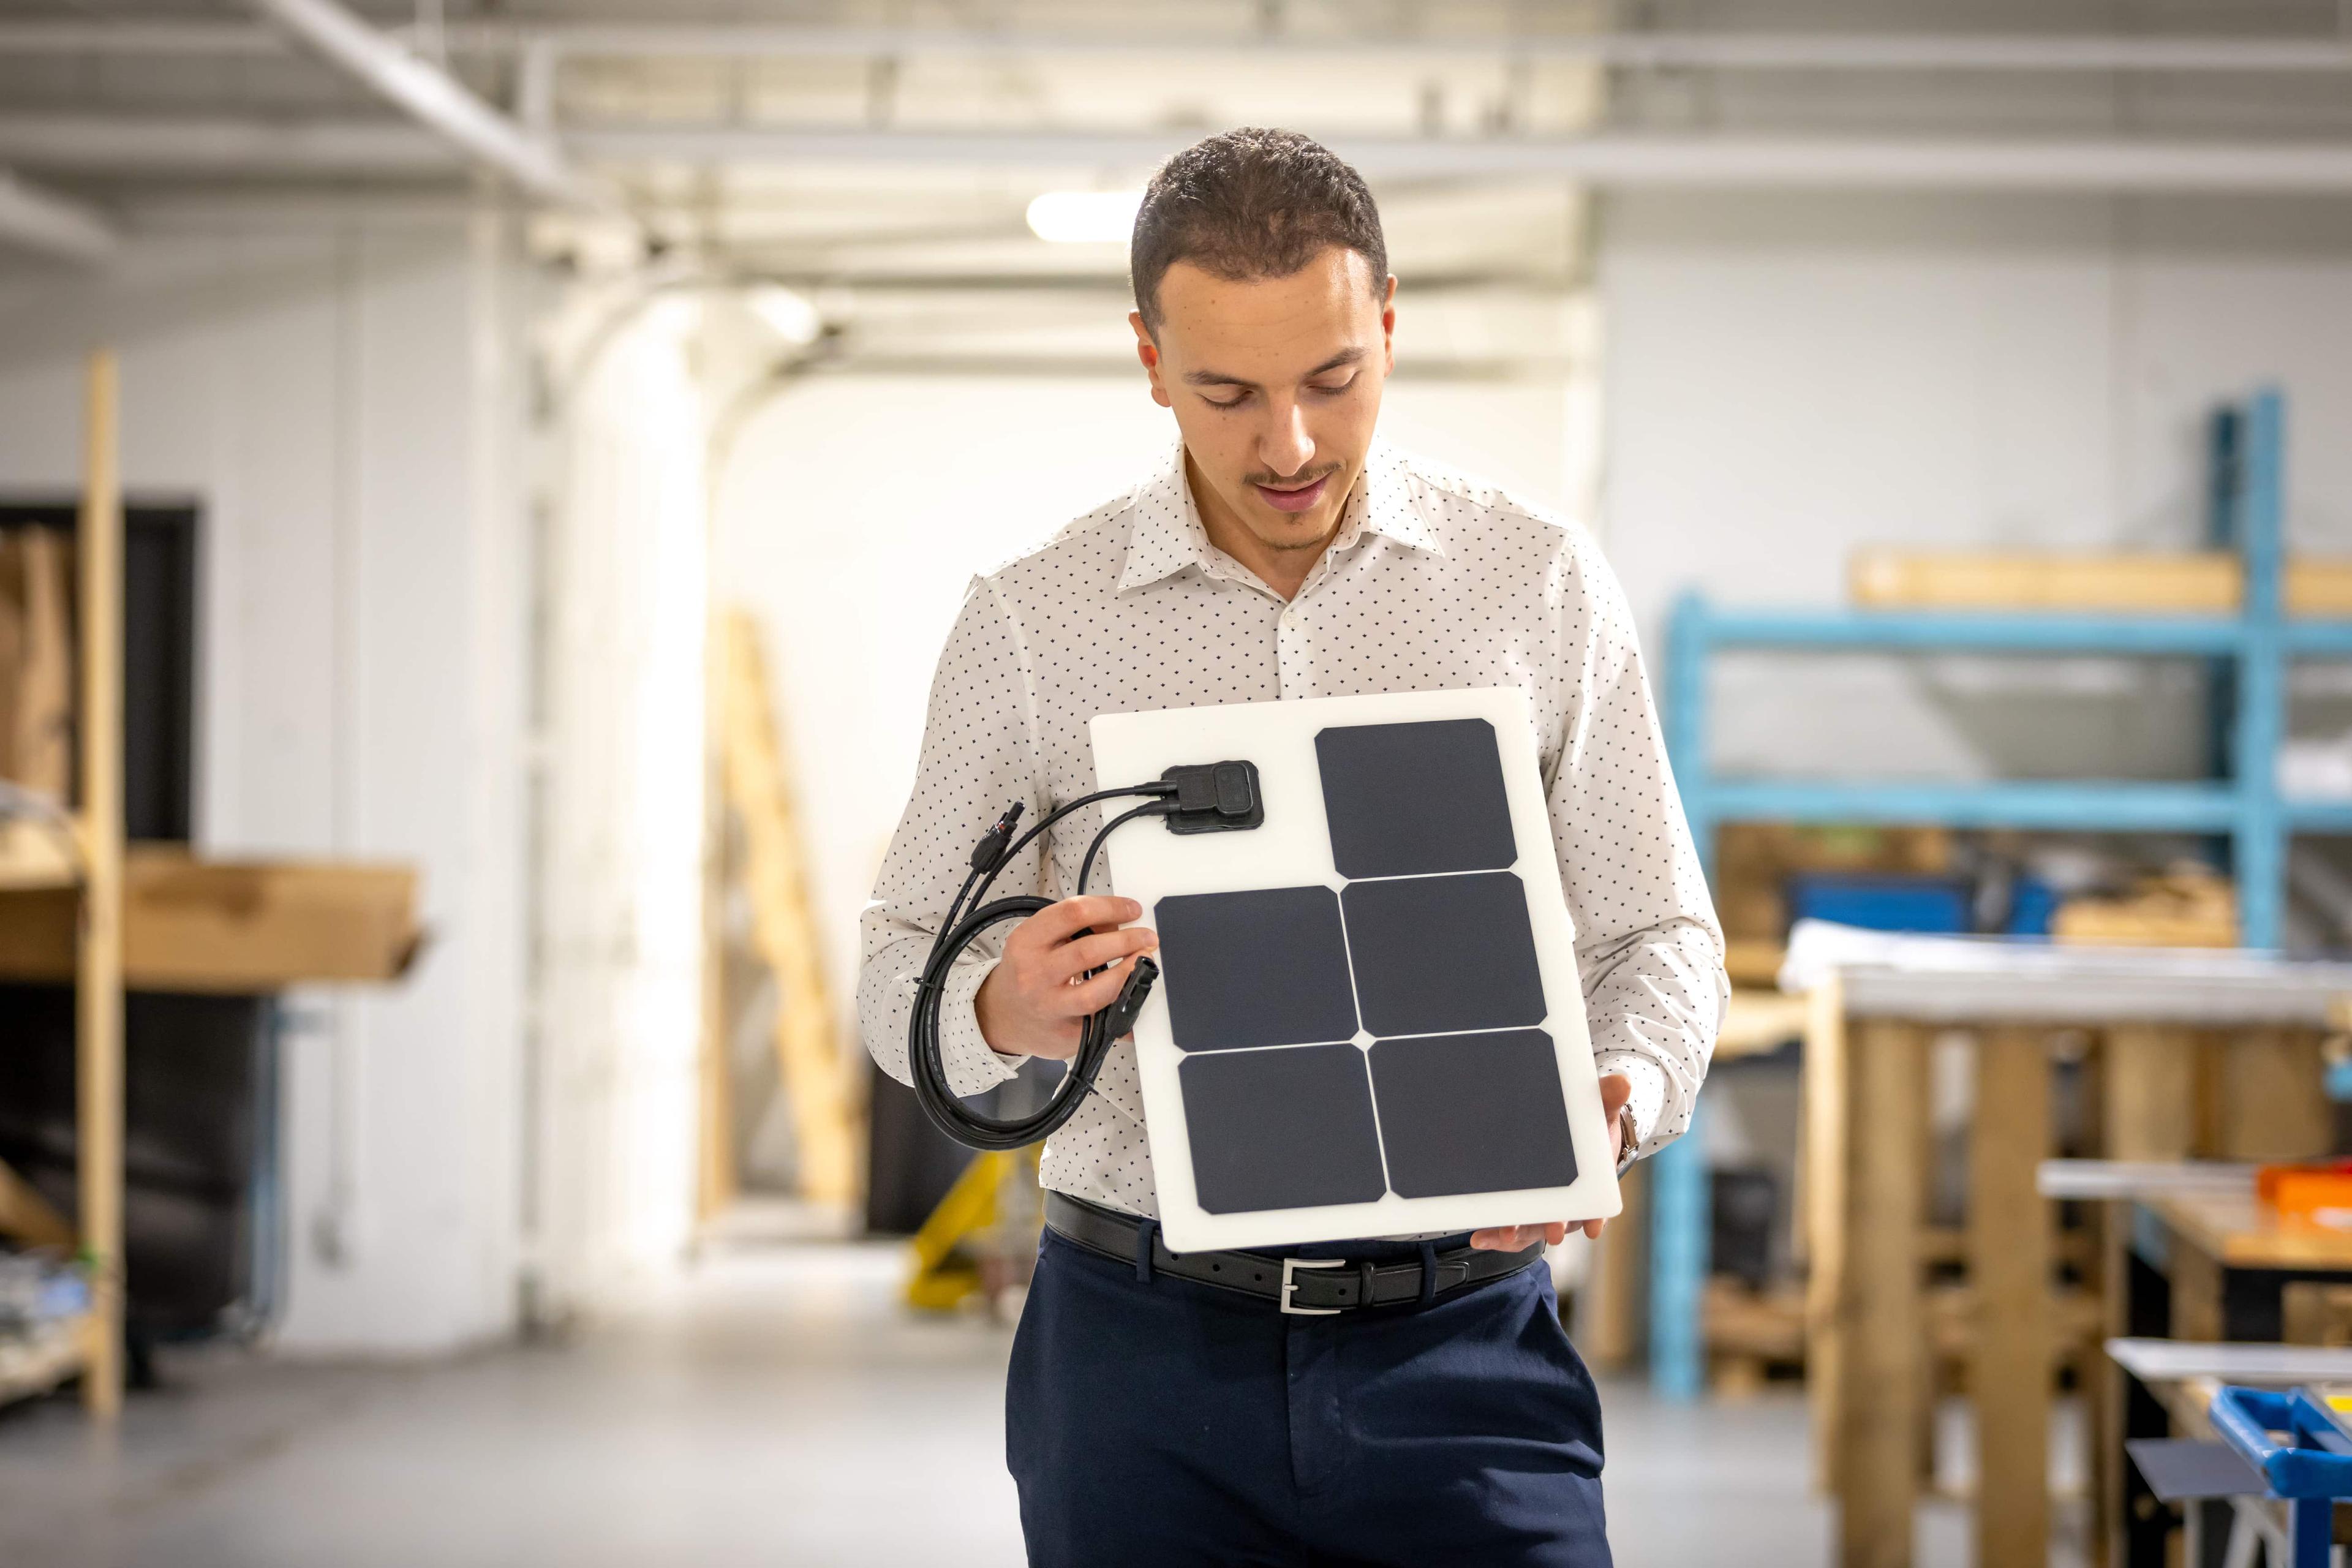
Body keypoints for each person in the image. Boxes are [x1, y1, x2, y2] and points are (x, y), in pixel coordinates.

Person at [859, 126, 1725, 1567]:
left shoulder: (1537, 583)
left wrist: (1617, 1098)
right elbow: (896, 957)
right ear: (1146, 357)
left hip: (1465, 1346)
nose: (1293, 445)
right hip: (1139, 1362)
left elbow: (1660, 937)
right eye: (1227, 392)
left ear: (1387, 322)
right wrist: (995, 1003)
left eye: (1335, 378)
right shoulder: (1031, 622)